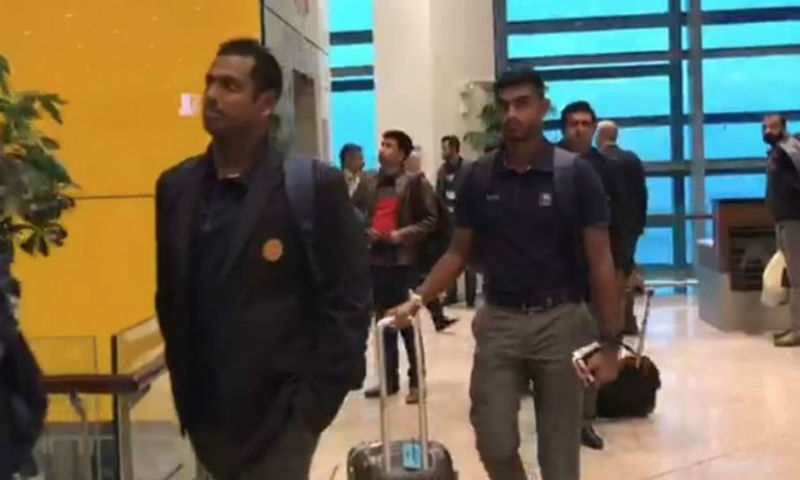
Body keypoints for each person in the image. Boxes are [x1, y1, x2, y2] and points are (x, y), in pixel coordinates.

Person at [155, 38, 372, 480]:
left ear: (266, 104)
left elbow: (349, 301)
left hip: (282, 416)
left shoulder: (311, 186)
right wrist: (186, 396)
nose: (212, 96)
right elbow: (170, 297)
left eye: (230, 86)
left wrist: (314, 405)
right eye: (210, 83)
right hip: (206, 417)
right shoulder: (176, 188)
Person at [391, 69, 621, 480]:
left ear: (543, 107)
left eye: (522, 103)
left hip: (562, 321)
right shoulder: (479, 176)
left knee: (559, 455)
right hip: (500, 320)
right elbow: (458, 251)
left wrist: (610, 344)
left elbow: (602, 262)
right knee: (493, 440)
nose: (512, 113)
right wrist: (418, 299)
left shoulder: (575, 174)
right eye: (504, 106)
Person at [559, 101, 625, 451]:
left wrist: (625, 265)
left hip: (598, 271)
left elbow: (624, 218)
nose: (580, 129)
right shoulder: (548, 165)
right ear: (564, 127)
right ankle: (556, 417)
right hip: (556, 272)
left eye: (586, 123)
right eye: (574, 123)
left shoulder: (607, 168)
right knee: (556, 350)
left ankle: (585, 419)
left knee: (592, 345)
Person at [363, 130, 438, 404]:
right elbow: (354, 212)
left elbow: (431, 219)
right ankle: (389, 379)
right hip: (376, 259)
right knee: (382, 322)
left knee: (405, 321)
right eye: (382, 144)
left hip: (403, 260)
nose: (382, 149)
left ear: (403, 154)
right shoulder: (369, 181)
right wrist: (366, 231)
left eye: (389, 146)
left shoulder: (415, 182)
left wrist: (401, 235)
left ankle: (416, 380)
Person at [596, 120, 648, 334]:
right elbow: (642, 194)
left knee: (611, 272)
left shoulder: (599, 161)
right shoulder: (632, 159)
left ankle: (614, 322)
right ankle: (627, 319)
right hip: (631, 226)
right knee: (625, 268)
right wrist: (640, 223)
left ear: (600, 136)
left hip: (608, 226)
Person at [763, 114, 800, 347]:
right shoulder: (778, 151)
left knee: (797, 278)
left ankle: (798, 329)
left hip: (795, 219)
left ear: (783, 127)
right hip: (785, 220)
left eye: (773, 127)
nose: (767, 131)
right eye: (765, 127)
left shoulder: (790, 151)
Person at [437, 135, 477, 308]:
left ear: (454, 148)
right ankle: (451, 294)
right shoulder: (442, 171)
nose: (443, 152)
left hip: (466, 219)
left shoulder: (469, 168)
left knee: (469, 259)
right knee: (449, 256)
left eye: (445, 148)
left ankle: (470, 296)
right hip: (448, 222)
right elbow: (438, 195)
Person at [340, 143, 370, 218]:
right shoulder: (334, 180)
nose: (363, 163)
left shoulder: (366, 183)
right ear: (348, 159)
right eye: (359, 158)